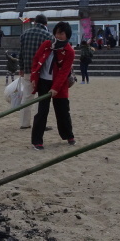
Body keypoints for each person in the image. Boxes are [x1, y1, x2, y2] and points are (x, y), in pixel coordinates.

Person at [29, 21, 76, 150]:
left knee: (62, 111)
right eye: (56, 33)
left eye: (61, 33)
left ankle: (68, 135)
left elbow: (64, 72)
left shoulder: (69, 51)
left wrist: (55, 88)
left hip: (59, 85)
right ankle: (37, 141)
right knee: (42, 111)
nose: (58, 36)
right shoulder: (47, 45)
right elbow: (36, 60)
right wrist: (34, 77)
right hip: (44, 82)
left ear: (67, 35)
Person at [18, 15, 53, 129]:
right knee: (43, 99)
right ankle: (40, 124)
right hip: (43, 72)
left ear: (35, 22)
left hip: (28, 70)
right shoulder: (48, 36)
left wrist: (21, 68)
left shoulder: (25, 34)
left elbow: (21, 53)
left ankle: (24, 123)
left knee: (27, 97)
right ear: (45, 24)